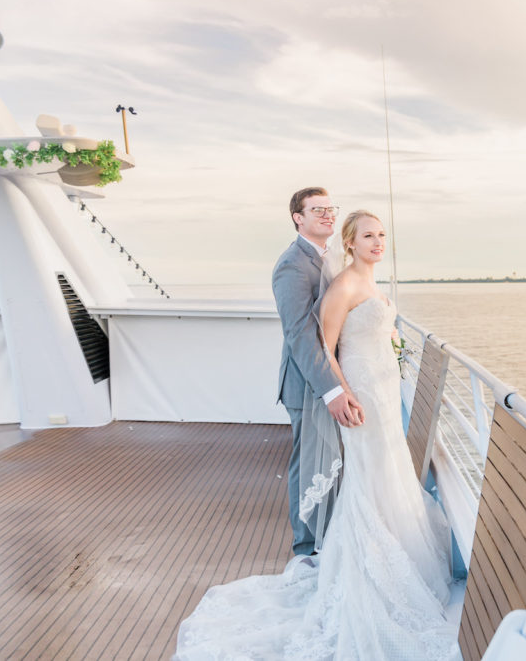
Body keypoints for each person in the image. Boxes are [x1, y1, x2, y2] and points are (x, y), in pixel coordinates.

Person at [175, 211, 457, 660]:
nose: (378, 242)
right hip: (361, 391)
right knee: (369, 475)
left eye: (382, 235)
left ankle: (399, 557)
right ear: (351, 242)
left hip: (384, 387)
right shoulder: (343, 285)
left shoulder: (371, 283)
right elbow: (325, 346)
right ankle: (364, 570)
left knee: (390, 470)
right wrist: (342, 392)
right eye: (369, 235)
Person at [271, 187, 365, 559]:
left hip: (333, 379)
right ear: (298, 217)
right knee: (308, 464)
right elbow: (299, 334)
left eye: (330, 209)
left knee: (330, 463)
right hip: (308, 385)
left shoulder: (330, 260)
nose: (327, 215)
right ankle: (305, 549)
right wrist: (332, 390)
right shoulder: (292, 264)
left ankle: (327, 539)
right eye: (317, 210)